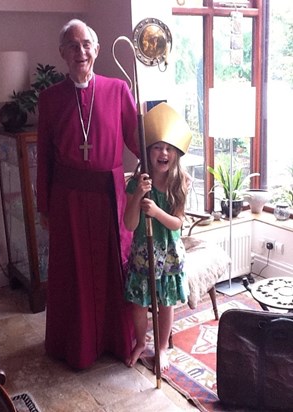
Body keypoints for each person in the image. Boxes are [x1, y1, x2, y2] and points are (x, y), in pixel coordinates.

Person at [36, 19, 139, 369]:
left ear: (96, 49)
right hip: (67, 198)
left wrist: (162, 159)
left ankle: (115, 340)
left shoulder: (118, 89)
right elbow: (45, 159)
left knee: (115, 269)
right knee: (73, 272)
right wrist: (44, 205)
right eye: (72, 45)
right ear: (62, 53)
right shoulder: (49, 99)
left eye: (86, 44)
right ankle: (77, 346)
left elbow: (136, 141)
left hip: (111, 197)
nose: (80, 51)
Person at [124, 102, 192, 371]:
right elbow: (129, 225)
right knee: (140, 302)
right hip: (143, 252)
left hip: (170, 252)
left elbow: (176, 223)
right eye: (157, 147)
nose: (163, 152)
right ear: (148, 151)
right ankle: (141, 342)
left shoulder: (179, 182)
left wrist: (156, 211)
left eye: (168, 148)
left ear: (175, 153)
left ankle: (162, 347)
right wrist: (139, 196)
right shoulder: (136, 182)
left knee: (165, 302)